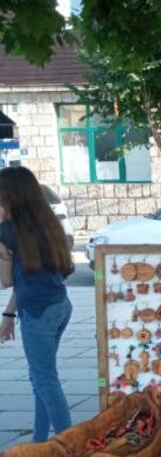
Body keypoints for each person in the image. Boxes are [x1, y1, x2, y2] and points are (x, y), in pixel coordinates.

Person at [0, 166, 75, 442]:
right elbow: (28, 280)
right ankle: (39, 442)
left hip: (38, 313)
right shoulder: (49, 223)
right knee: (39, 380)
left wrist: (2, 252)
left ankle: (70, 448)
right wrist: (8, 315)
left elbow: (7, 281)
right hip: (59, 306)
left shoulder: (8, 230)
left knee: (45, 381)